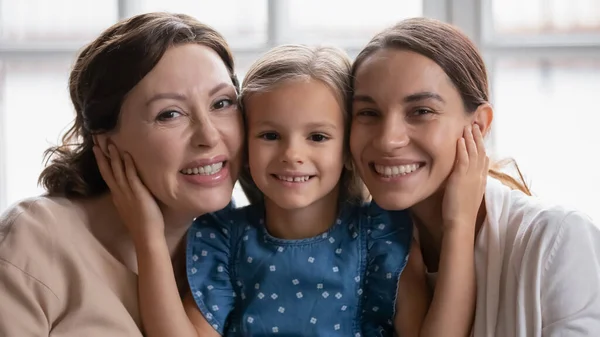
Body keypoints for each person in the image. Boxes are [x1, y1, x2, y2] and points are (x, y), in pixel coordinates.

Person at [98, 43, 488, 337]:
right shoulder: (223, 238)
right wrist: (147, 235)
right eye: (270, 135)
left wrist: (460, 222)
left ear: (348, 149)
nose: (292, 155)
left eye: (317, 136)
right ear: (244, 145)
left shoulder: (380, 235)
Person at [350, 17, 600, 336]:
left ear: (479, 126)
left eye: (421, 111)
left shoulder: (558, 240)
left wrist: (459, 223)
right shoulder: (357, 249)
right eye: (368, 113)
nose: (388, 139)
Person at [0, 12, 243, 336]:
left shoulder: (236, 252)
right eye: (169, 113)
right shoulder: (37, 239)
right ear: (105, 140)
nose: (209, 136)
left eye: (222, 103)